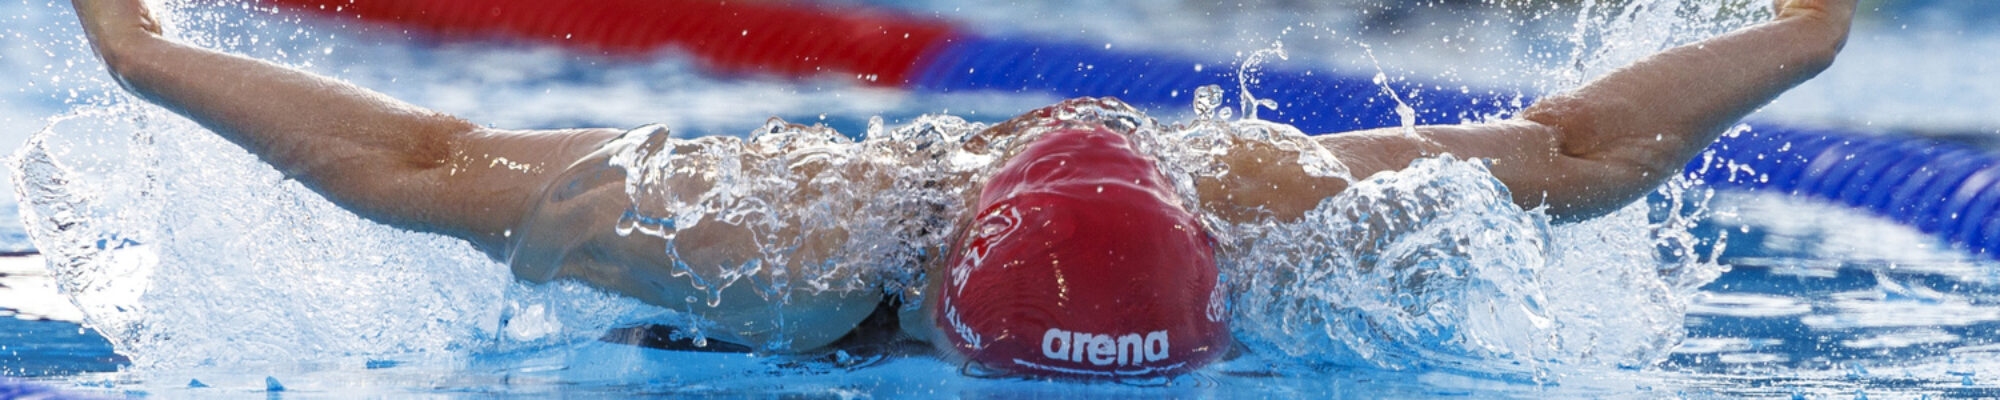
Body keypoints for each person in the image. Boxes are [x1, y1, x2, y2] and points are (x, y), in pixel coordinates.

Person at [70, 0, 1856, 378]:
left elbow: (1582, 149)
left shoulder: (1283, 221)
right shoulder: (780, 239)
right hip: (875, 257)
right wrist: (143, 51)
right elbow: (418, 162)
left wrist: (1808, 29)